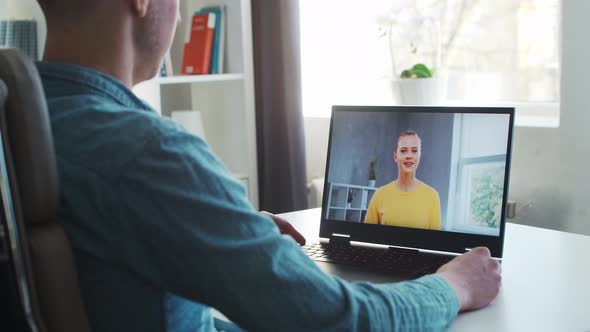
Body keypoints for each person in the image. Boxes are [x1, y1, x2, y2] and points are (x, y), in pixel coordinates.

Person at [34, 0, 501, 331]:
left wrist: (223, 224)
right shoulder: (150, 152)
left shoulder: (22, 120)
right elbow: (341, 320)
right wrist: (452, 286)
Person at [365, 131, 442, 230]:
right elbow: (368, 237)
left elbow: (434, 242)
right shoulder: (379, 195)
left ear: (419, 156)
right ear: (395, 156)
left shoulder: (432, 196)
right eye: (403, 150)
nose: (409, 156)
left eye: (414, 151)